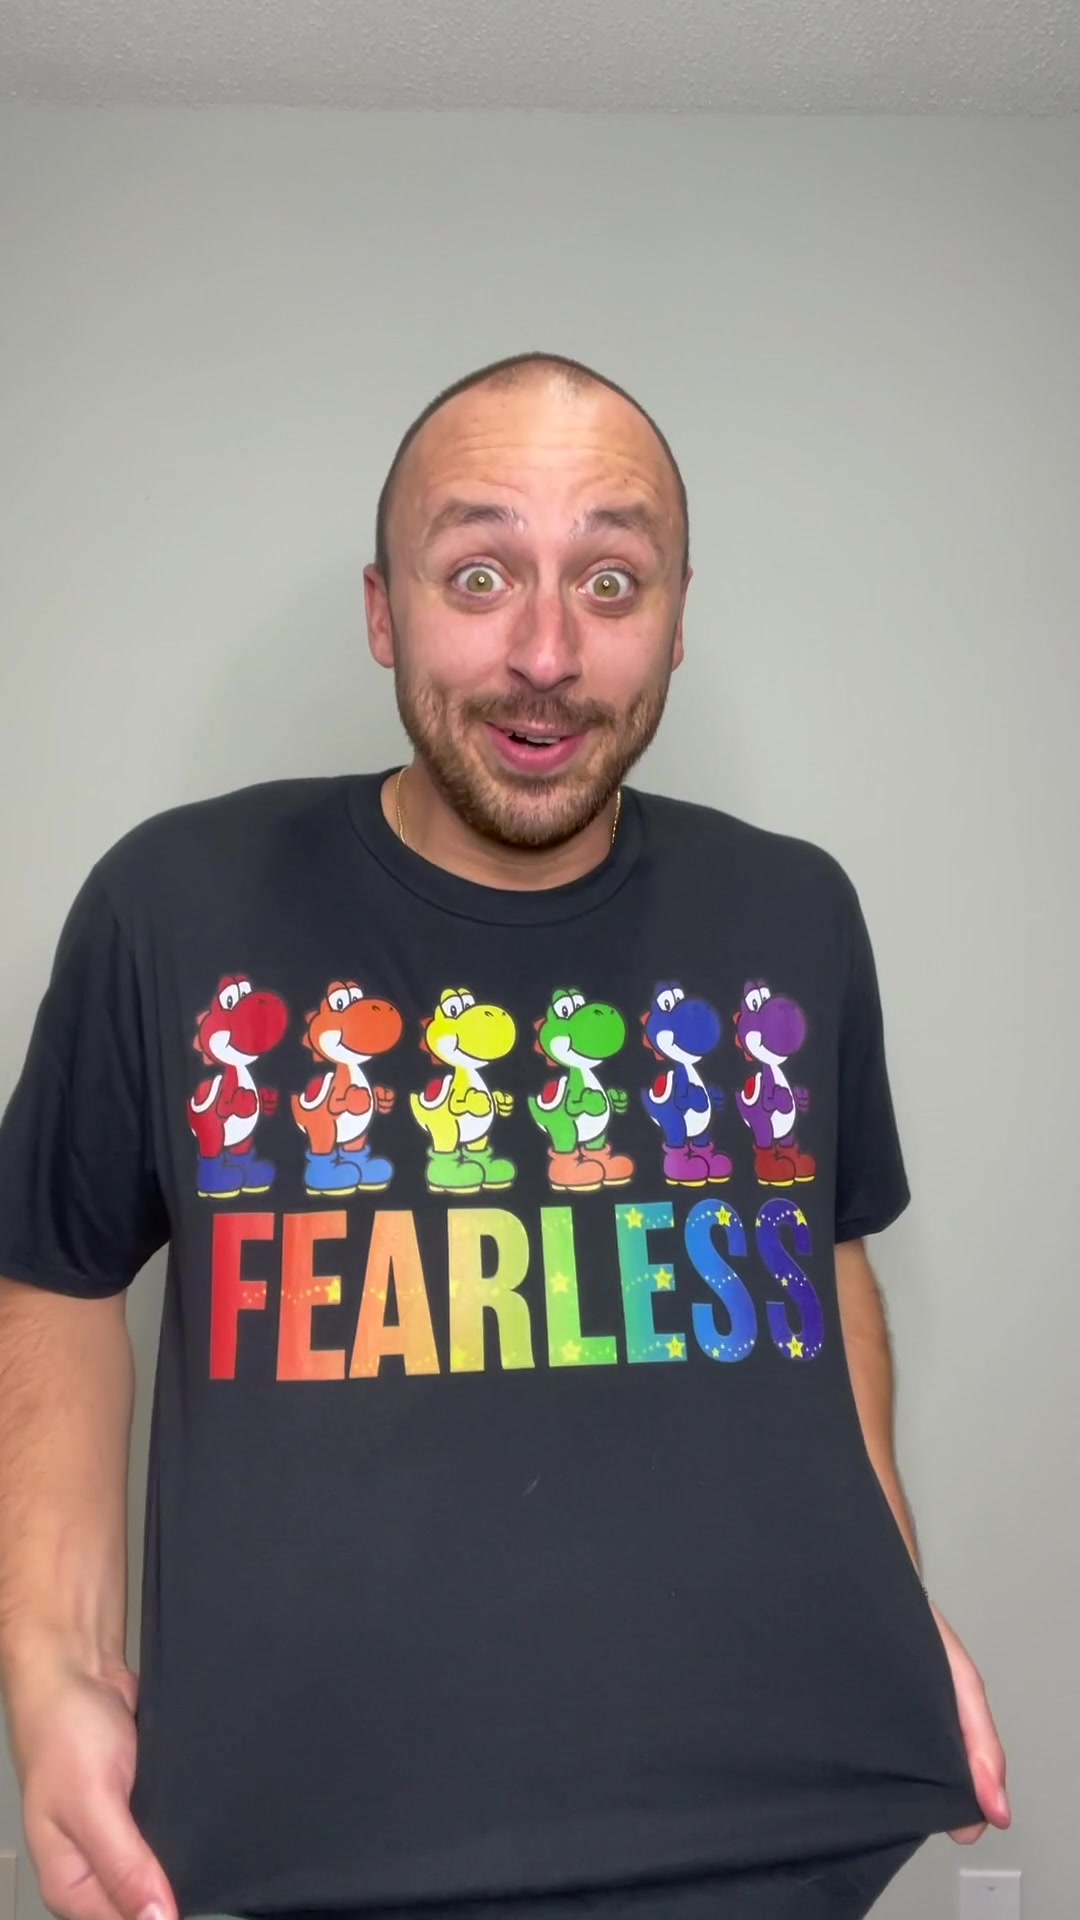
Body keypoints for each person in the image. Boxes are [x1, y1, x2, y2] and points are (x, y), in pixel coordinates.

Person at [0, 351, 1008, 1920]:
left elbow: (815, 1263)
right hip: (308, 1854)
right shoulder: (175, 903)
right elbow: (54, 1277)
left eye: (612, 581)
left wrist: (892, 1602)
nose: (547, 653)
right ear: (383, 611)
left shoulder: (795, 911)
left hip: (764, 1835)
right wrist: (52, 1667)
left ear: (678, 616)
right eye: (479, 575)